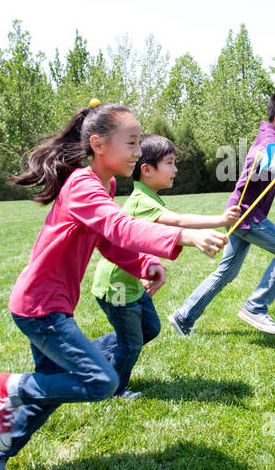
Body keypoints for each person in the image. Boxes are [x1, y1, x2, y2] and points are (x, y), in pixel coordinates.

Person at [0, 102, 227, 470]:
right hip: (41, 307)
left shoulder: (101, 185)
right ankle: (10, 387)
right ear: (98, 144)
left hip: (46, 304)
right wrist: (183, 236)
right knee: (100, 381)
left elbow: (108, 240)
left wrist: (141, 266)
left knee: (51, 389)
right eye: (132, 143)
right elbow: (121, 226)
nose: (139, 153)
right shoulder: (82, 185)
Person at [168, 89, 275, 337]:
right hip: (246, 215)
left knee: (227, 271)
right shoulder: (265, 141)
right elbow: (273, 164)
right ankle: (256, 307)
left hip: (241, 212)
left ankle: (183, 317)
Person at [90, 134, 238, 398]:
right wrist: (220, 219)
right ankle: (113, 389)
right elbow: (178, 222)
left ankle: (87, 355)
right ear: (146, 170)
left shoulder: (150, 198)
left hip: (132, 282)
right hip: (117, 286)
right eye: (170, 163)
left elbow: (148, 239)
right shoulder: (140, 201)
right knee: (131, 343)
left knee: (150, 328)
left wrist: (151, 266)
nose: (175, 169)